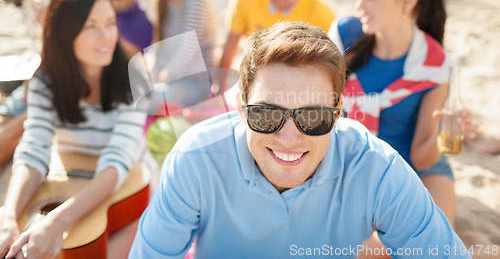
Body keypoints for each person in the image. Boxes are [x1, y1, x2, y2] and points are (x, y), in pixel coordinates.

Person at [129, 21, 470, 259]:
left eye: (313, 117)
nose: (288, 137)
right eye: (266, 113)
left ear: (338, 112)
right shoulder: (195, 158)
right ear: (239, 105)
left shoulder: (376, 168)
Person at [327, 0, 476, 256]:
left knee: (423, 250)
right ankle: (466, 246)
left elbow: (423, 157)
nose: (359, 5)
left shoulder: (434, 63)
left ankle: (464, 244)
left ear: (408, 0)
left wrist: (448, 134)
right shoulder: (345, 35)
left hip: (416, 173)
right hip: (354, 169)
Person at [0, 0, 148, 259]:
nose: (105, 36)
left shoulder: (133, 78)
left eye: (110, 23)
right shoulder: (45, 82)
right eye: (90, 26)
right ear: (64, 33)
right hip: (67, 177)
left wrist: (58, 221)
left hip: (126, 185)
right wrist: (8, 218)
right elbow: (34, 150)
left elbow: (118, 161)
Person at [0, 0, 153, 167]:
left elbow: (117, 58)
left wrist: (67, 23)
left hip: (75, 94)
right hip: (53, 78)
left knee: (17, 130)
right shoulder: (92, 0)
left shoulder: (140, 23)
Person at [147, 0, 217, 107]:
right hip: (168, 81)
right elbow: (158, 47)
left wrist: (162, 80)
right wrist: (151, 76)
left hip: (195, 82)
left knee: (148, 99)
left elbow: (188, 49)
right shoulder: (162, 0)